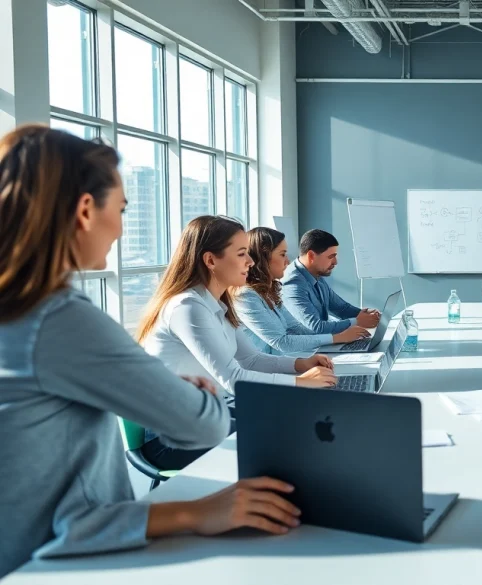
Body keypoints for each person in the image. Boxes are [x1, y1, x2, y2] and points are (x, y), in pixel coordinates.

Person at [0, 126, 301, 578]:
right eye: (120, 210)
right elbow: (202, 425)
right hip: (59, 566)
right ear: (85, 210)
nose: (122, 228)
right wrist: (189, 511)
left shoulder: (18, 315)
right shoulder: (59, 318)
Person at [136, 216, 338, 469]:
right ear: (210, 260)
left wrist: (301, 364)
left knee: (294, 421)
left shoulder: (218, 304)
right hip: (170, 438)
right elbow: (233, 379)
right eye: (242, 253)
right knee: (287, 436)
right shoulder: (187, 307)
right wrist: (303, 382)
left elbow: (251, 359)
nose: (251, 262)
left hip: (208, 415)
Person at [235, 227, 371, 355]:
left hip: (281, 363)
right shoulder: (247, 297)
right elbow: (282, 342)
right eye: (282, 255)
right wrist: (336, 338)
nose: (287, 262)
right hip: (263, 372)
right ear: (264, 258)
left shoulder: (268, 292)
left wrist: (340, 336)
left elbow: (296, 328)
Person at [281, 229, 381, 335]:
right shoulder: (293, 284)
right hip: (305, 350)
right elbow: (316, 327)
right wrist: (357, 321)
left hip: (322, 344)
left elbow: (342, 308)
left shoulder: (315, 273)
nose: (335, 262)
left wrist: (369, 315)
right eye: (330, 257)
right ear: (311, 256)